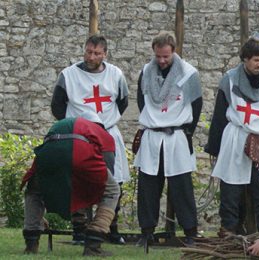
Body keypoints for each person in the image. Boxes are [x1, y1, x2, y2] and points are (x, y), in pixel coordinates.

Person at [50, 34, 129, 245]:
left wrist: (104, 124)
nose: (91, 56)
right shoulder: (68, 75)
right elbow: (57, 106)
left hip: (108, 133)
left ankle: (109, 228)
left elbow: (122, 102)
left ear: (105, 54)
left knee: (114, 181)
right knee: (79, 180)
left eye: (96, 53)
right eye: (88, 51)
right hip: (80, 136)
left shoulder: (115, 75)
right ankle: (80, 228)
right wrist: (79, 126)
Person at [206, 38, 259, 237]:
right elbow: (220, 115)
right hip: (235, 137)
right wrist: (215, 148)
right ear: (245, 59)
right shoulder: (230, 80)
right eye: (255, 60)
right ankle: (229, 229)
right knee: (230, 188)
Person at [134, 31, 202, 247]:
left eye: (166, 56)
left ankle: (190, 232)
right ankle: (146, 232)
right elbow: (141, 100)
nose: (162, 60)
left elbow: (196, 105)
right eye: (158, 56)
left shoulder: (189, 74)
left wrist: (186, 131)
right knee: (148, 187)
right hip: (152, 136)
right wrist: (154, 121)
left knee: (181, 186)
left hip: (177, 136)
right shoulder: (146, 72)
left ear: (174, 52)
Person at [22, 117, 120, 256]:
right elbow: (107, 168)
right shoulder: (103, 134)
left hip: (49, 154)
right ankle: (94, 243)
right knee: (112, 190)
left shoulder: (60, 125)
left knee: (34, 190)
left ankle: (31, 244)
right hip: (82, 155)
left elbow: (56, 153)